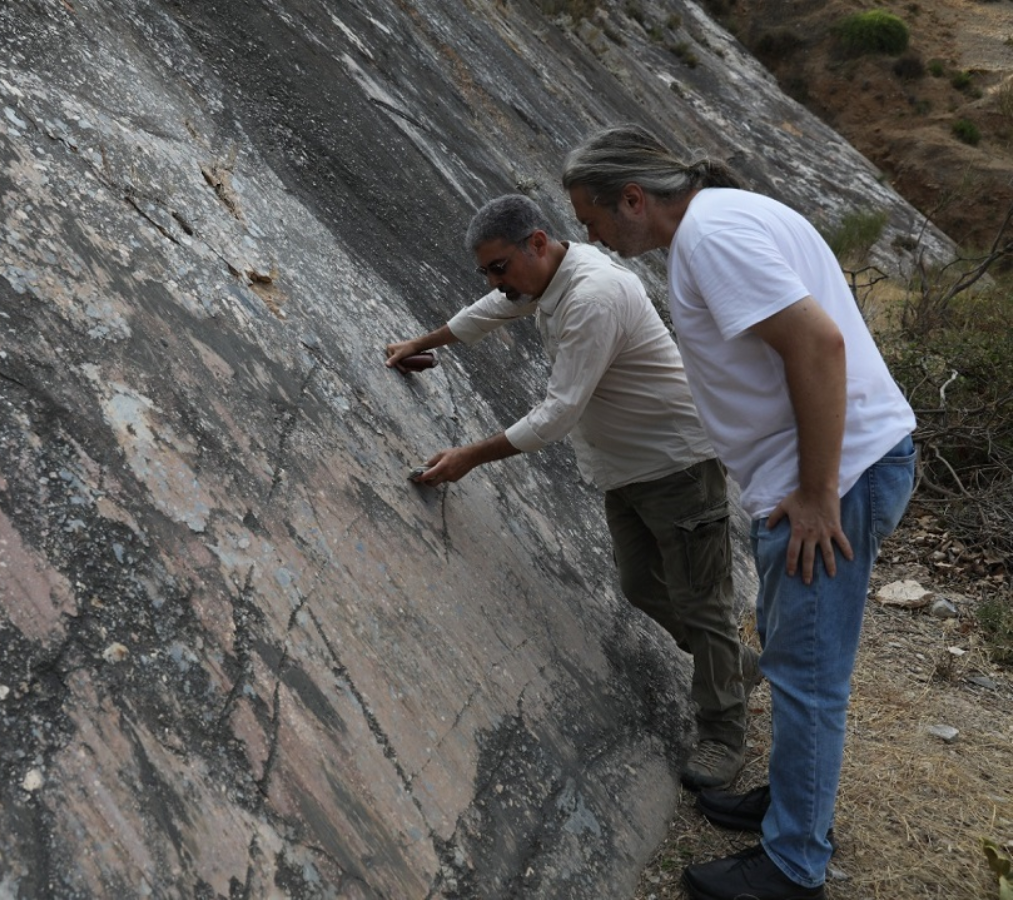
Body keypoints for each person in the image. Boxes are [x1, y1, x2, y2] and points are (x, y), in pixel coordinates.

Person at [562, 125, 916, 900]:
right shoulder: (729, 215)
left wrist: (821, 493)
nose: (590, 236)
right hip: (832, 469)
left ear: (633, 198)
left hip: (833, 479)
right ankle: (791, 805)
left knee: (809, 678)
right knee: (794, 661)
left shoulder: (710, 237)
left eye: (592, 219)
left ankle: (795, 865)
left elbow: (817, 345)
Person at [385, 194, 757, 791]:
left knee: (702, 601)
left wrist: (468, 458)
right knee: (641, 586)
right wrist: (420, 341)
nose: (494, 281)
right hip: (624, 467)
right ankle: (732, 668)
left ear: (537, 242)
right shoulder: (544, 279)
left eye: (499, 267)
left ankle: (722, 732)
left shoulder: (594, 295)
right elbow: (492, 307)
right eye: (485, 270)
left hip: (677, 464)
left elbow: (558, 413)